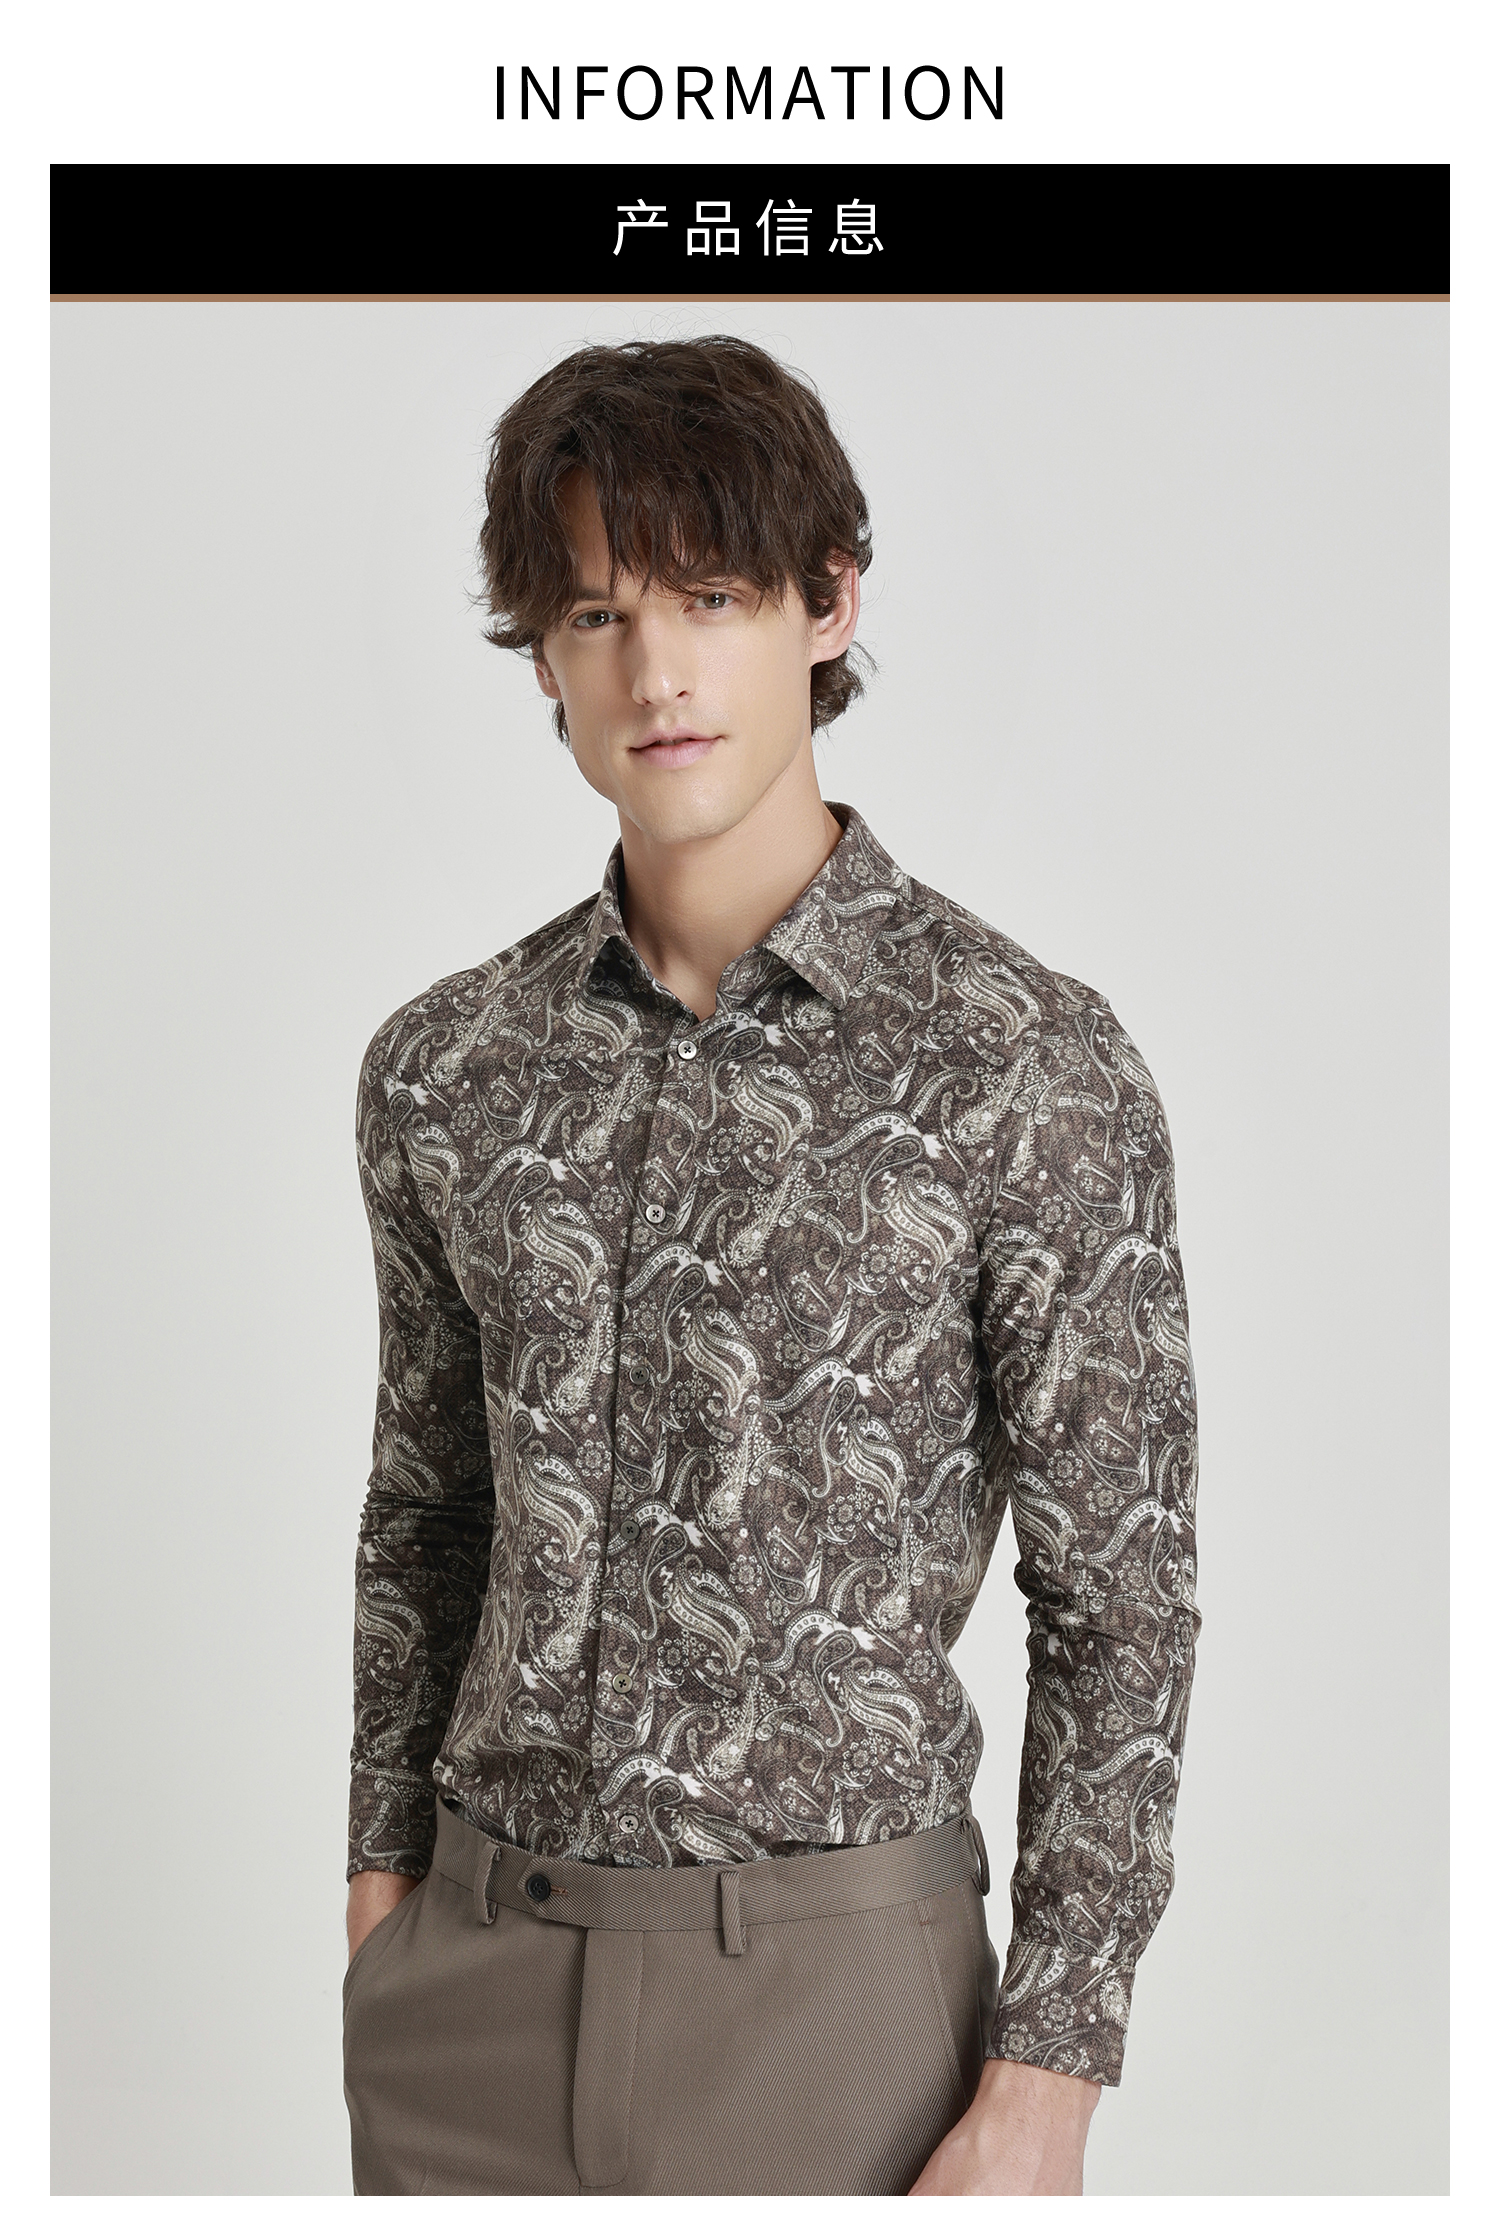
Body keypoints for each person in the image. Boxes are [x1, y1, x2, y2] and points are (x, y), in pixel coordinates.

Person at [340, 335, 1201, 2196]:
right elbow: (429, 1508)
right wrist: (381, 1894)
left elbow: (1121, 1600)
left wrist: (1049, 2075)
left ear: (828, 604)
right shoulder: (448, 1068)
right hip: (469, 1990)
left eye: (711, 599)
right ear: (542, 654)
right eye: (596, 614)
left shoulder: (1021, 1063)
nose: (654, 673)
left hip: (841, 2010)